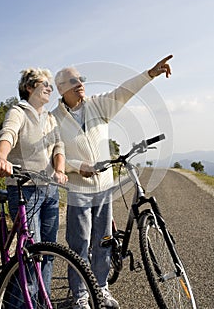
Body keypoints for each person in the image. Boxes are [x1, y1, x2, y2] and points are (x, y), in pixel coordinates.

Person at [52, 55, 173, 309]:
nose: (80, 83)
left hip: (104, 187)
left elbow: (122, 93)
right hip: (78, 190)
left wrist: (148, 74)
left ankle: (101, 289)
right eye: (73, 81)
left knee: (104, 241)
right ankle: (80, 295)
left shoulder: (98, 106)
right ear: (62, 88)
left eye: (81, 79)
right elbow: (54, 152)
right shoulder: (55, 119)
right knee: (79, 244)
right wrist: (75, 167)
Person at [0, 68, 68, 301]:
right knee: (31, 253)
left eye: (51, 85)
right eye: (44, 83)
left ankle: (41, 302)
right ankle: (20, 303)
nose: (49, 88)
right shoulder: (18, 111)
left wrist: (60, 169)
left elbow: (58, 146)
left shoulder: (51, 118)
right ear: (29, 87)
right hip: (24, 188)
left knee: (48, 253)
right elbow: (8, 134)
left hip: (49, 190)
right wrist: (1, 157)